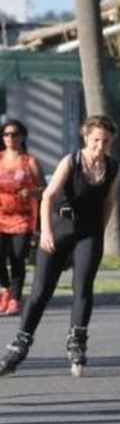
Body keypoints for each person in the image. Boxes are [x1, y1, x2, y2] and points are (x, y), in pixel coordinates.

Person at [0, 115, 120, 379]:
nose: (100, 147)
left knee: (83, 288)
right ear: (86, 138)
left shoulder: (112, 168)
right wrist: (46, 231)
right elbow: (48, 196)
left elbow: (109, 202)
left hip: (89, 232)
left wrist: (99, 231)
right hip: (60, 228)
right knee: (41, 291)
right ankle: (18, 345)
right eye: (96, 141)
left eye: (106, 142)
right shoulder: (71, 161)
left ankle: (77, 342)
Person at [0, 119, 44, 317]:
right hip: (0, 215)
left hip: (23, 218)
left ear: (22, 136)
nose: (10, 138)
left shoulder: (30, 161)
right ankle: (5, 289)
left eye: (14, 134)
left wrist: (32, 192)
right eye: (6, 134)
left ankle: (15, 299)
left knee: (17, 259)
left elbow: (45, 189)